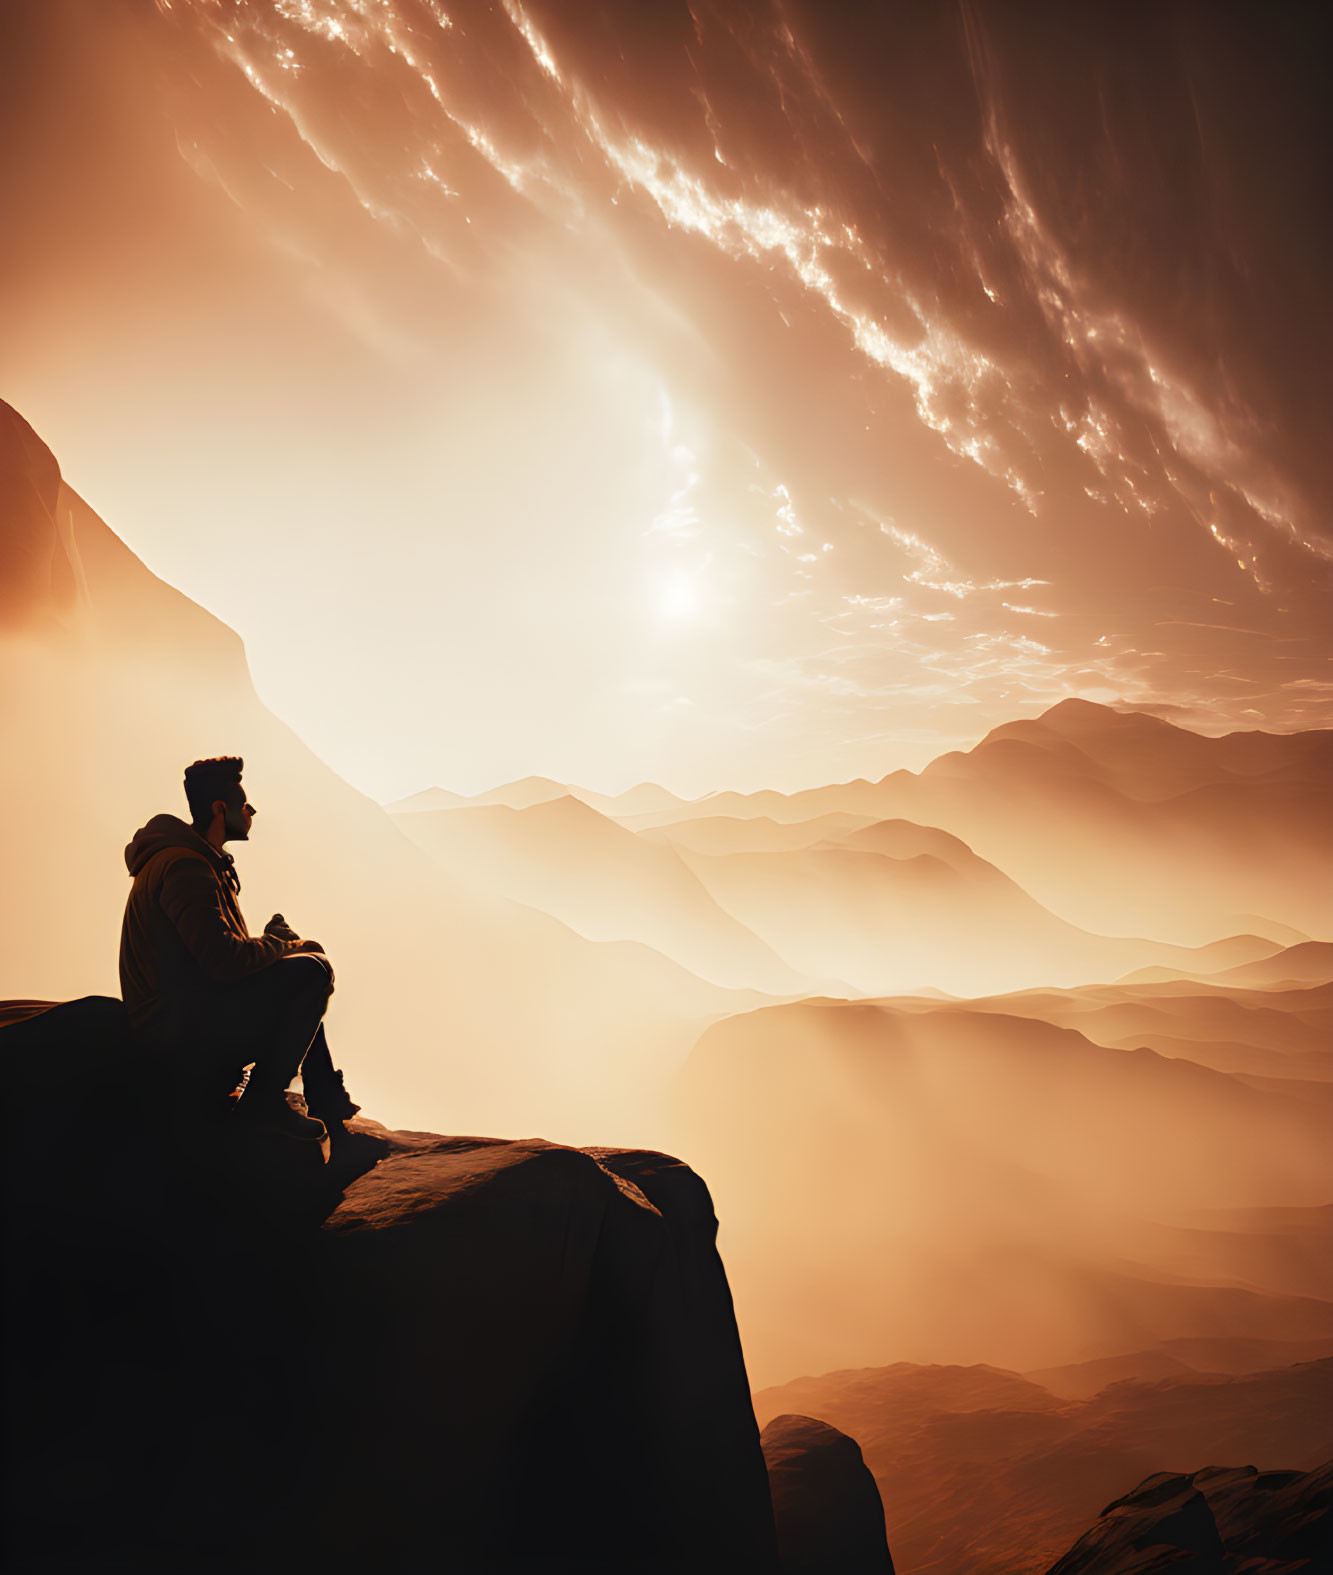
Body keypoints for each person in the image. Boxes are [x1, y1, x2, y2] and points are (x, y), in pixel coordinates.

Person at [120, 756, 360, 1143]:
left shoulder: (193, 862)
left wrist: (281, 947)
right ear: (220, 809)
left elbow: (214, 958)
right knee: (311, 971)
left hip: (188, 1013)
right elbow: (224, 961)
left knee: (303, 963)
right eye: (245, 805)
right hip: (179, 1032)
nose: (252, 811)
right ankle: (263, 1107)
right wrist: (280, 944)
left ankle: (327, 1101)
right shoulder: (185, 868)